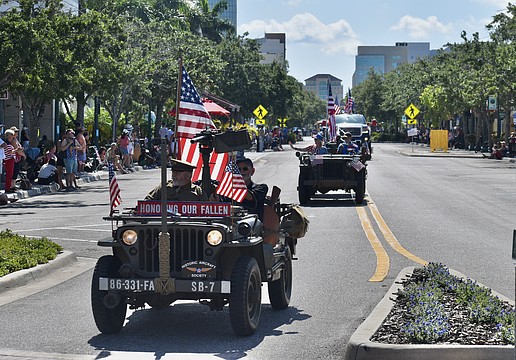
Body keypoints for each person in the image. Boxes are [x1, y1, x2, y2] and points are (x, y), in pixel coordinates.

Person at [223, 157, 268, 222]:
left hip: (252, 225)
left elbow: (250, 197)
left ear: (252, 171)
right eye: (238, 169)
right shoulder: (228, 190)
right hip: (231, 223)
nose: (241, 172)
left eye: (245, 169)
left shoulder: (261, 188)